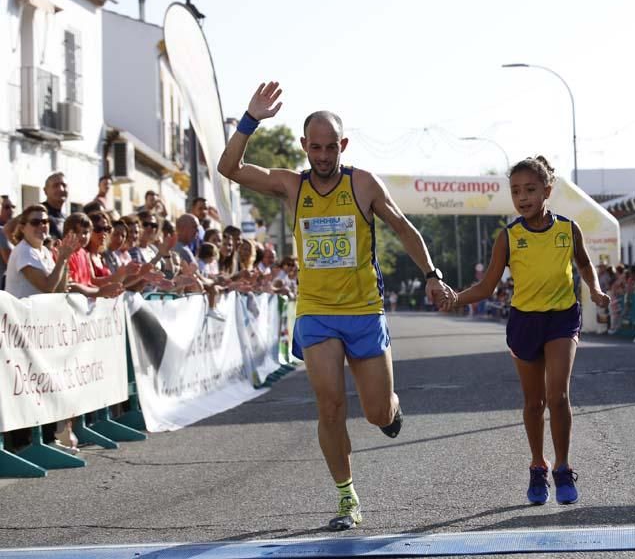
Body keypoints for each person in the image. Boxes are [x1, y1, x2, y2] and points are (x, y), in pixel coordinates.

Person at [216, 82, 452, 531]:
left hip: (364, 310)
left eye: (331, 148)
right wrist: (250, 120)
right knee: (329, 407)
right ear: (304, 146)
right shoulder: (291, 185)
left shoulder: (362, 183)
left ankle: (391, 409)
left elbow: (402, 228)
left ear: (342, 145)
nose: (323, 156)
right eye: (315, 148)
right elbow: (231, 167)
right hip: (316, 311)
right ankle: (347, 499)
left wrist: (432, 274)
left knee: (377, 412)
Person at [439, 155, 610, 507]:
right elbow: (486, 286)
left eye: (530, 189)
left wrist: (593, 288)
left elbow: (584, 263)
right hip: (524, 322)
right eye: (516, 191)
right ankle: (538, 466)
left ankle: (562, 467)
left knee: (558, 394)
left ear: (547, 190)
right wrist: (455, 298)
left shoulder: (568, 229)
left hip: (561, 318)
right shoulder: (509, 236)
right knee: (535, 403)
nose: (523, 197)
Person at [41, 172, 68, 241]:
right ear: (45, 190)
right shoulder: (38, 212)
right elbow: (10, 229)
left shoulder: (66, 217)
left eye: (64, 185)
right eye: (55, 186)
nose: (61, 189)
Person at [0, 195, 15, 289]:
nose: (11, 211)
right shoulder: (1, 232)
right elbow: (11, 262)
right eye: (6, 207)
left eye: (13, 207)